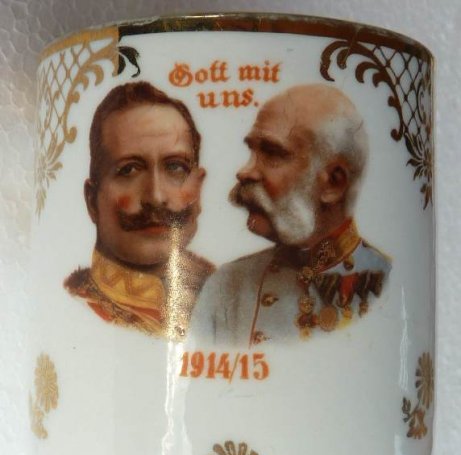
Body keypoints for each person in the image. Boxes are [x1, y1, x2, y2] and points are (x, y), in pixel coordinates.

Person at [191, 84, 391, 346]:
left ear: (333, 183)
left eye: (273, 154)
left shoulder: (386, 281)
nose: (244, 171)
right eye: (252, 151)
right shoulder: (225, 287)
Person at [64, 82, 214, 340]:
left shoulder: (231, 296)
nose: (155, 197)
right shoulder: (75, 308)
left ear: (198, 189)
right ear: (92, 200)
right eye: (129, 170)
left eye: (175, 167)